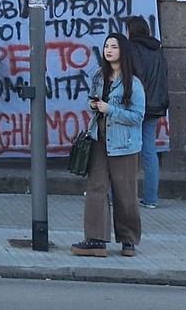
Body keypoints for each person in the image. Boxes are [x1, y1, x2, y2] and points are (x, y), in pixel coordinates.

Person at [72, 32, 146, 259]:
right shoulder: (98, 76)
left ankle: (128, 240)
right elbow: (92, 101)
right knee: (96, 188)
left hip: (124, 144)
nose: (109, 50)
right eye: (106, 46)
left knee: (125, 192)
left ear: (123, 51)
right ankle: (95, 239)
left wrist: (110, 109)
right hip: (100, 139)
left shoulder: (133, 83)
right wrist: (93, 106)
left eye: (113, 46)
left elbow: (138, 116)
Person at [127, 16, 168, 209]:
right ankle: (151, 198)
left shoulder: (132, 49)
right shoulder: (158, 50)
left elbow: (135, 76)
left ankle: (116, 195)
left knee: (123, 150)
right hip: (155, 105)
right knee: (149, 151)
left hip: (136, 105)